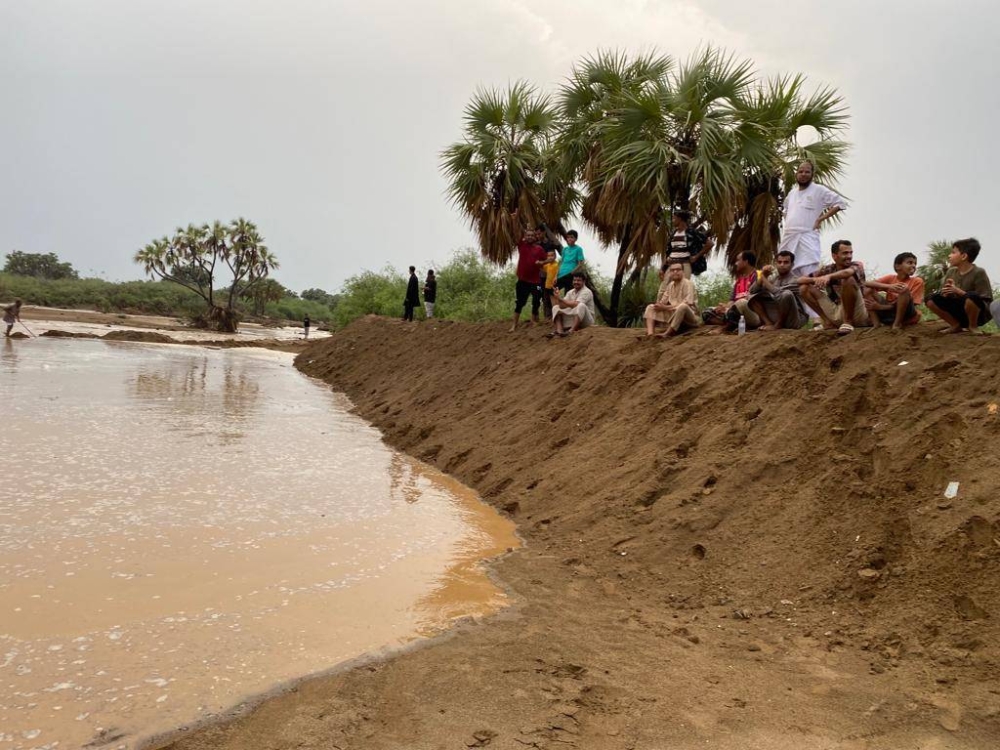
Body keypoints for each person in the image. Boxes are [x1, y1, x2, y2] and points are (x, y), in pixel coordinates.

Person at [778, 160, 849, 279]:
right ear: (796, 174)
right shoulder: (792, 193)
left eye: (807, 172)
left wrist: (820, 219)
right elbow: (785, 210)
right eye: (801, 171)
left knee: (808, 273)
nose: (803, 174)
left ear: (812, 174)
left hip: (807, 238)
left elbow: (840, 203)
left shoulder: (819, 190)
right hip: (789, 238)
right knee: (786, 273)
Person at [799, 240, 870, 334]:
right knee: (804, 288)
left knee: (848, 279)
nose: (849, 256)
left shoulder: (857, 265)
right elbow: (800, 280)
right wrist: (817, 279)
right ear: (834, 256)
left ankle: (848, 322)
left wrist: (828, 277)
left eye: (851, 253)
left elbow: (847, 273)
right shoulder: (828, 269)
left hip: (858, 312)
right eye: (845, 253)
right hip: (837, 311)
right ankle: (828, 322)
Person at [926, 238, 993, 334]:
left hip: (978, 314)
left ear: (964, 256)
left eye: (953, 252)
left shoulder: (979, 272)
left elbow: (984, 299)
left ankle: (972, 326)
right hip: (958, 311)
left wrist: (958, 291)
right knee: (930, 299)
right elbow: (944, 295)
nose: (949, 255)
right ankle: (955, 325)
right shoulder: (951, 271)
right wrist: (946, 292)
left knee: (972, 296)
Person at [747, 250, 808, 331]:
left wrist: (763, 277)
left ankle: (777, 326)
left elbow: (777, 292)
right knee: (752, 297)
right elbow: (752, 291)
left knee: (786, 294)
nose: (782, 265)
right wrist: (763, 276)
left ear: (792, 265)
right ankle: (768, 323)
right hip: (775, 314)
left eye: (786, 262)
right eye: (779, 262)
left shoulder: (795, 279)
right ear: (776, 263)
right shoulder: (773, 278)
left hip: (793, 319)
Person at [701, 251, 761, 332]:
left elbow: (753, 299)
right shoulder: (739, 280)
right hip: (734, 311)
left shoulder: (757, 275)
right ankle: (735, 323)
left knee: (740, 303)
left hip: (752, 314)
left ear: (746, 262)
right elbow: (732, 300)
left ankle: (726, 328)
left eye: (738, 260)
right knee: (707, 312)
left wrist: (731, 308)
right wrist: (725, 307)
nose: (736, 263)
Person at [864, 252, 924, 329]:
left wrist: (880, 307)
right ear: (898, 266)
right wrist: (889, 286)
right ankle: (876, 323)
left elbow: (911, 305)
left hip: (905, 313)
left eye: (915, 264)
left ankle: (897, 324)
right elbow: (866, 283)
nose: (914, 266)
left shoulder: (917, 281)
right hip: (888, 312)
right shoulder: (890, 278)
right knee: (868, 289)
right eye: (910, 263)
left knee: (904, 289)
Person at [644, 262, 700, 337]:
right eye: (672, 270)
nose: (675, 272)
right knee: (650, 307)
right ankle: (650, 334)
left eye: (678, 270)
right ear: (669, 273)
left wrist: (665, 307)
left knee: (683, 306)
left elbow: (688, 303)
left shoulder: (688, 284)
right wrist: (658, 305)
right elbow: (663, 302)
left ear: (683, 272)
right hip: (675, 315)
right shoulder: (670, 285)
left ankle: (667, 333)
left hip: (690, 319)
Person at [511, 229, 546, 331]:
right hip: (523, 281)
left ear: (535, 237)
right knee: (520, 303)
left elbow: (546, 259)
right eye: (528, 235)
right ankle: (514, 325)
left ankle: (533, 320)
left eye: (532, 235)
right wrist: (516, 221)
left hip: (536, 281)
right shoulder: (521, 245)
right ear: (525, 237)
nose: (530, 237)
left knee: (537, 300)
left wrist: (542, 263)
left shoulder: (539, 249)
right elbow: (516, 232)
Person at [667, 210, 714, 278]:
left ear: (680, 219)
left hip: (684, 264)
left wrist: (696, 256)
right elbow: (669, 251)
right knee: (666, 284)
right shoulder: (673, 234)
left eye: (674, 218)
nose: (672, 221)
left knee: (683, 284)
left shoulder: (692, 232)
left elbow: (710, 243)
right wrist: (663, 267)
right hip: (672, 264)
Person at [549, 272, 595, 337]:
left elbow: (575, 304)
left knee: (581, 305)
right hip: (575, 317)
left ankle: (571, 330)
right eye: (574, 280)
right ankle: (559, 331)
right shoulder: (570, 292)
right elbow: (562, 306)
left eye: (578, 280)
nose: (576, 282)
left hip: (586, 321)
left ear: (584, 282)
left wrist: (560, 299)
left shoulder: (587, 291)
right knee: (555, 307)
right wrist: (558, 297)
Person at [540, 248, 560, 319]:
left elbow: (558, 272)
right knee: (547, 301)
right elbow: (541, 267)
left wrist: (556, 277)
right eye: (548, 256)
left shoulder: (556, 264)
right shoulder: (548, 265)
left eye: (552, 255)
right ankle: (550, 317)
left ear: (555, 256)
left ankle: (556, 316)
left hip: (553, 286)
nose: (550, 257)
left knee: (555, 302)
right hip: (547, 286)